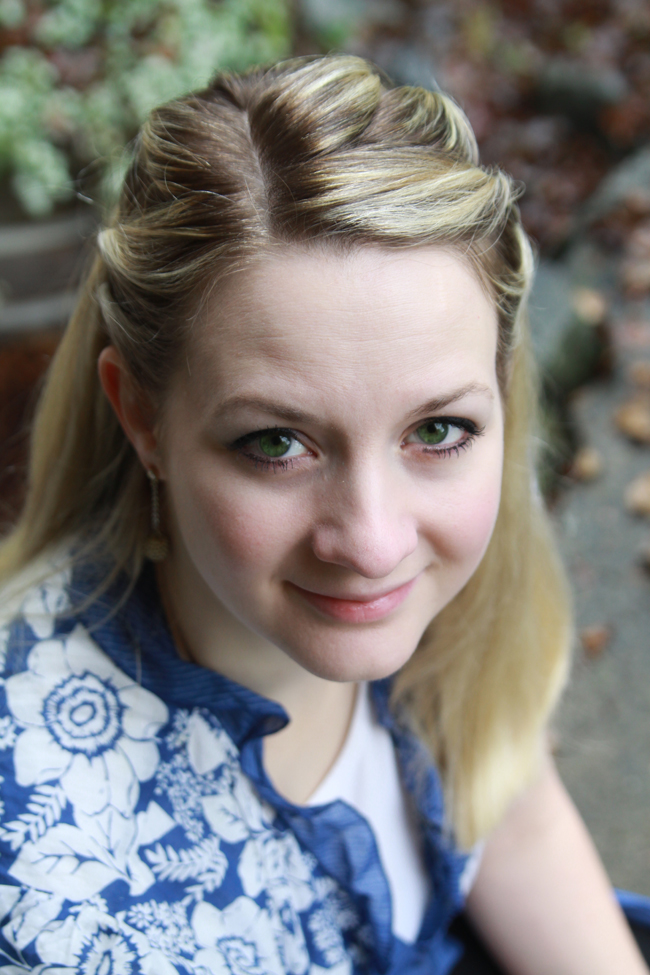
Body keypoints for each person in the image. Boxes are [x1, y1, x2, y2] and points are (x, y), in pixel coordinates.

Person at [0, 54, 648, 975]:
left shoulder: (464, 534)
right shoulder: (49, 891)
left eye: (437, 427)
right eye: (276, 444)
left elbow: (508, 803)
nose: (377, 541)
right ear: (141, 414)